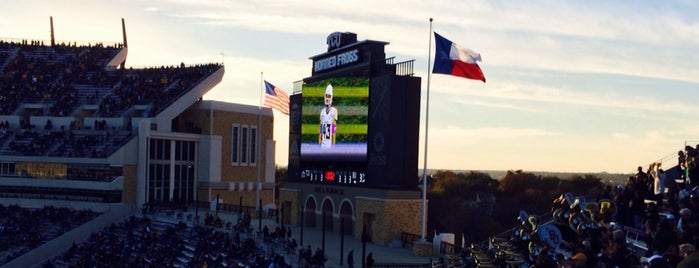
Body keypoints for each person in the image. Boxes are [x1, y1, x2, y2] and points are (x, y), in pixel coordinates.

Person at [319, 83, 338, 150]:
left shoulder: (334, 111)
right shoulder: (322, 111)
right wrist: (319, 141)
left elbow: (334, 129)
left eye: (329, 96)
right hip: (323, 145)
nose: (327, 98)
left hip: (330, 145)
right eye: (326, 96)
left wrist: (333, 144)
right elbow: (321, 127)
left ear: (331, 97)